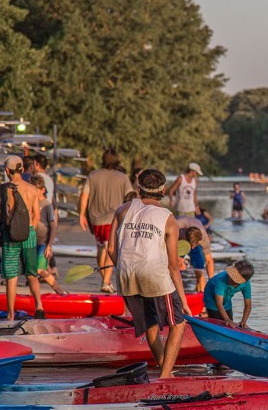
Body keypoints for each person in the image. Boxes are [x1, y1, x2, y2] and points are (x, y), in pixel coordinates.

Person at [106, 168, 188, 378]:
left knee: (150, 324)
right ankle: (165, 376)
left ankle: (165, 372)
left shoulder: (122, 210)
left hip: (126, 275)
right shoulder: (168, 218)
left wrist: (123, 267)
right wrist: (184, 301)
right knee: (178, 324)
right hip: (155, 276)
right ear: (163, 190)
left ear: (138, 187)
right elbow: (173, 266)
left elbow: (111, 249)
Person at [78, 149, 133, 294]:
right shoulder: (123, 177)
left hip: (96, 219)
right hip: (114, 218)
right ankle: (106, 281)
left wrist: (82, 215)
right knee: (111, 249)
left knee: (101, 248)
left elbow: (84, 196)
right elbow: (130, 198)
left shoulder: (93, 175)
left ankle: (106, 281)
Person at [0, 156, 44, 320]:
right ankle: (39, 306)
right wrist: (29, 229)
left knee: (12, 277)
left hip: (11, 235)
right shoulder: (32, 189)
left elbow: (5, 214)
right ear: (22, 169)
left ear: (7, 171)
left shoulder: (5, 189)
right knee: (32, 273)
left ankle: (11, 314)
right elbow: (37, 216)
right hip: (29, 233)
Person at [32, 176, 65, 295]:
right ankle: (36, 295)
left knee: (40, 270)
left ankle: (60, 291)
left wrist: (49, 245)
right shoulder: (30, 203)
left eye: (36, 189)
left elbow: (53, 225)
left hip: (43, 241)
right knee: (33, 271)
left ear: (42, 190)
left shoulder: (47, 205)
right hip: (32, 241)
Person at [202, 259, 254, 329]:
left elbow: (248, 305)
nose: (230, 278)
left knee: (230, 323)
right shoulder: (221, 280)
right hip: (211, 298)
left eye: (234, 278)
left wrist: (243, 321)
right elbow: (219, 304)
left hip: (226, 299)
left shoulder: (246, 284)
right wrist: (227, 320)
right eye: (230, 276)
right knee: (217, 322)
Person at [183, 226, 212, 293]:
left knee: (199, 270)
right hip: (181, 237)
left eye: (194, 245)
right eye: (192, 245)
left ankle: (201, 291)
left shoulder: (204, 241)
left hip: (194, 237)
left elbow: (209, 261)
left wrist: (211, 282)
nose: (192, 248)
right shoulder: (178, 232)